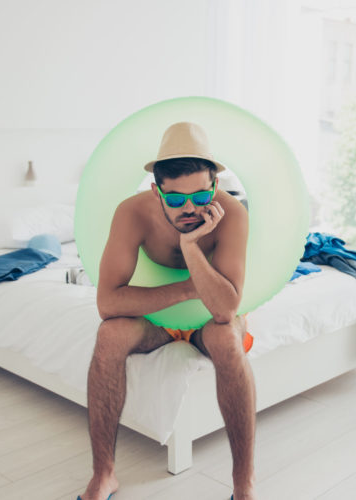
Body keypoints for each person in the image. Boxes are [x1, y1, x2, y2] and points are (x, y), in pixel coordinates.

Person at [79, 122, 257, 500]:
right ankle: (103, 475)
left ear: (215, 185)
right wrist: (191, 288)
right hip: (158, 321)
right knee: (109, 334)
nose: (190, 208)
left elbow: (225, 309)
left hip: (210, 321)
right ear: (156, 189)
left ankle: (244, 486)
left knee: (227, 338)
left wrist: (191, 247)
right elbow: (108, 304)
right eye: (176, 199)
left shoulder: (233, 215)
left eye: (200, 195)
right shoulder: (132, 213)